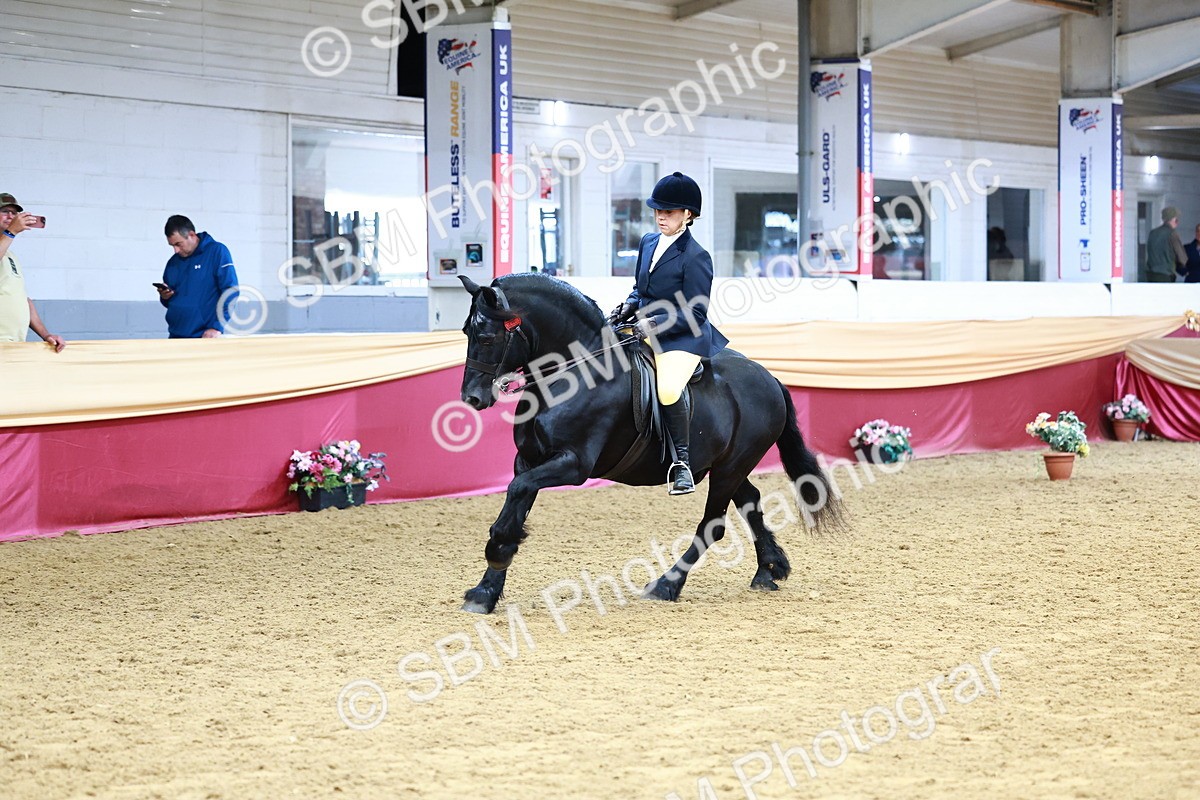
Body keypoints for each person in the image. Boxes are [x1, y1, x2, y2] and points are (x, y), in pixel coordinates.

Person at [606, 172, 729, 495]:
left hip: (681, 337)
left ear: (688, 214)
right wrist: (628, 306)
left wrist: (654, 324)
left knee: (669, 390)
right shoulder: (648, 242)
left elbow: (695, 312)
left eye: (669, 212)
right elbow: (641, 289)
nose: (661, 217)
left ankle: (682, 464)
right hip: (642, 326)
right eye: (658, 210)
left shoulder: (696, 256)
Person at [0, 193, 66, 351]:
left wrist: (46, 335)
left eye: (14, 213)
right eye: (5, 211)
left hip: (14, 342)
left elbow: (23, 299)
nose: (11, 216)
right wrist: (11, 232)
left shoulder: (10, 255)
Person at [159, 215, 239, 338]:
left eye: (178, 244)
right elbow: (170, 302)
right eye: (172, 245)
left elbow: (231, 291)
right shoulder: (173, 262)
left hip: (204, 336)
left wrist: (217, 326)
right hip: (175, 335)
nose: (176, 250)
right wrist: (165, 297)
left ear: (192, 235)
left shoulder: (217, 252)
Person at [1145, 206, 1187, 283]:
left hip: (1151, 274)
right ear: (1172, 220)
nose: (1177, 222)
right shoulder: (1172, 234)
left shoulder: (1152, 233)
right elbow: (1182, 258)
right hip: (1166, 275)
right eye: (1176, 220)